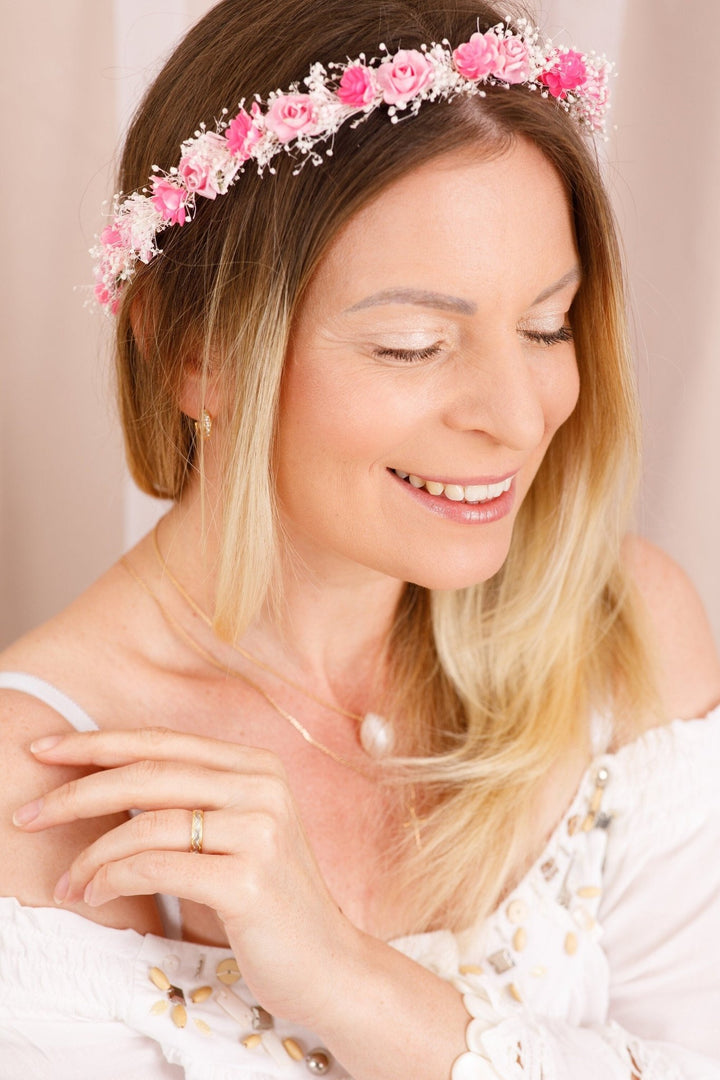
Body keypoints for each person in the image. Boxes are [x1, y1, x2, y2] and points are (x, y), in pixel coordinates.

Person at [1, 0, 719, 1076]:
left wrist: (347, 981)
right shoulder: (40, 792)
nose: (519, 418)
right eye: (413, 345)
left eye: (547, 327)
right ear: (194, 352)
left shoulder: (625, 635)